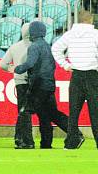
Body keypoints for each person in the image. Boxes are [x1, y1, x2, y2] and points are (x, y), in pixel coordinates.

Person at [13, 21, 72, 149]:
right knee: (48, 114)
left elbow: (30, 63)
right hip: (49, 84)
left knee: (25, 111)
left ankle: (25, 142)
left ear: (32, 33)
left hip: (38, 85)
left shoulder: (34, 46)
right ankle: (49, 142)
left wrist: (17, 69)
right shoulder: (47, 46)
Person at [51, 9, 98, 150]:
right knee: (95, 112)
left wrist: (65, 65)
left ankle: (71, 142)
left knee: (74, 112)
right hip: (92, 76)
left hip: (76, 75)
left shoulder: (70, 35)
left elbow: (55, 48)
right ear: (91, 20)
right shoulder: (95, 34)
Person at [0, 22, 34, 148]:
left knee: (22, 111)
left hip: (20, 82)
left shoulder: (15, 47)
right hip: (34, 82)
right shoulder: (36, 46)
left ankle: (20, 138)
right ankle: (26, 140)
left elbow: (2, 64)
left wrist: (11, 69)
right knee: (31, 112)